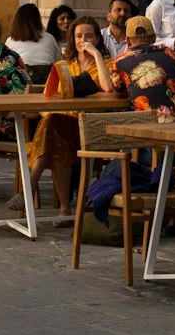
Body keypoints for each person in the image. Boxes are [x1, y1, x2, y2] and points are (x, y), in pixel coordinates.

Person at [15, 16, 116, 214]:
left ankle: (33, 190)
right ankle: (62, 207)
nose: (83, 40)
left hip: (88, 129)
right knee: (53, 125)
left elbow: (108, 87)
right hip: (60, 130)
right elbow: (46, 98)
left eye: (88, 36)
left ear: (97, 39)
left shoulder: (107, 64)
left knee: (53, 133)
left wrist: (96, 55)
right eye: (78, 36)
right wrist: (50, 118)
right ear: (72, 39)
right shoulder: (62, 66)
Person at [112, 16, 175, 120]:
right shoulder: (173, 55)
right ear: (154, 37)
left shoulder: (120, 61)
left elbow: (118, 91)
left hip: (147, 126)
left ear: (128, 40)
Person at [5, 3, 61, 68]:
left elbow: (5, 65)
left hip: (22, 76)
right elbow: (59, 63)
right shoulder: (49, 38)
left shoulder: (11, 41)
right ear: (38, 19)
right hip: (46, 76)